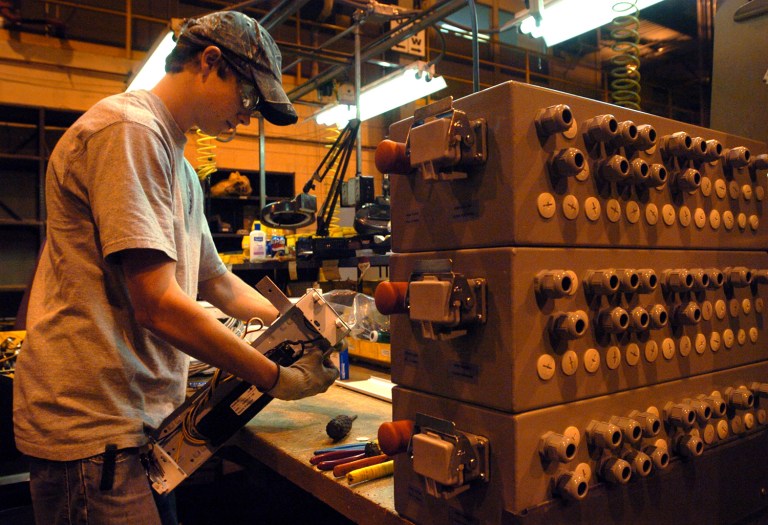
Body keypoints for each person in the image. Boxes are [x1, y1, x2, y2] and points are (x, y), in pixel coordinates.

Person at [13, 10, 339, 525]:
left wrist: (299, 326)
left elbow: (216, 282)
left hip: (139, 427)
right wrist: (274, 376)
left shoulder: (179, 165)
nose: (248, 116)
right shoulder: (129, 132)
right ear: (210, 62)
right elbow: (157, 306)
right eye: (249, 97)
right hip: (94, 433)